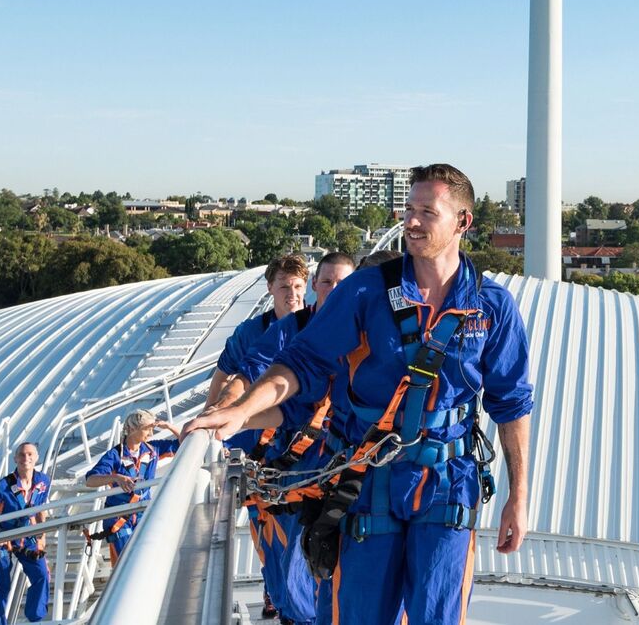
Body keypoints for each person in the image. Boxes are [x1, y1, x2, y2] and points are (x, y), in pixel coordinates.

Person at [187, 163, 535, 625]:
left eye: (427, 212)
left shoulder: (491, 307)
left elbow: (511, 405)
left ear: (462, 222)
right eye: (409, 209)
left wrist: (519, 497)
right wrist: (241, 411)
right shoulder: (367, 291)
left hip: (446, 484)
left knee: (439, 616)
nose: (410, 221)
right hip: (370, 482)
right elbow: (303, 363)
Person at [205, 252, 355, 623]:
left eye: (298, 287)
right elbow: (235, 377)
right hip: (272, 462)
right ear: (270, 288)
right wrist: (218, 415)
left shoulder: (359, 327)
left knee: (314, 561)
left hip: (329, 461)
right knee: (280, 557)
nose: (292, 294)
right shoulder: (264, 334)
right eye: (285, 287)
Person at [84, 410, 180, 566]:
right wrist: (115, 477)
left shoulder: (153, 450)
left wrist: (169, 427)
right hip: (119, 517)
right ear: (133, 429)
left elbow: (183, 442)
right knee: (125, 565)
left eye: (152, 429)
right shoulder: (115, 455)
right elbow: (90, 480)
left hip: (144, 513)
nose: (150, 433)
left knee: (146, 562)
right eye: (147, 429)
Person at [0, 442, 52, 625]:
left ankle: (35, 619)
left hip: (28, 538)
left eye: (30, 454)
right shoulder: (2, 486)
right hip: (5, 538)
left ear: (36, 458)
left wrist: (42, 535)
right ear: (15, 458)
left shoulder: (43, 481)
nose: (26, 458)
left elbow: (41, 508)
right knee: (0, 586)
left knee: (41, 574)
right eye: (22, 455)